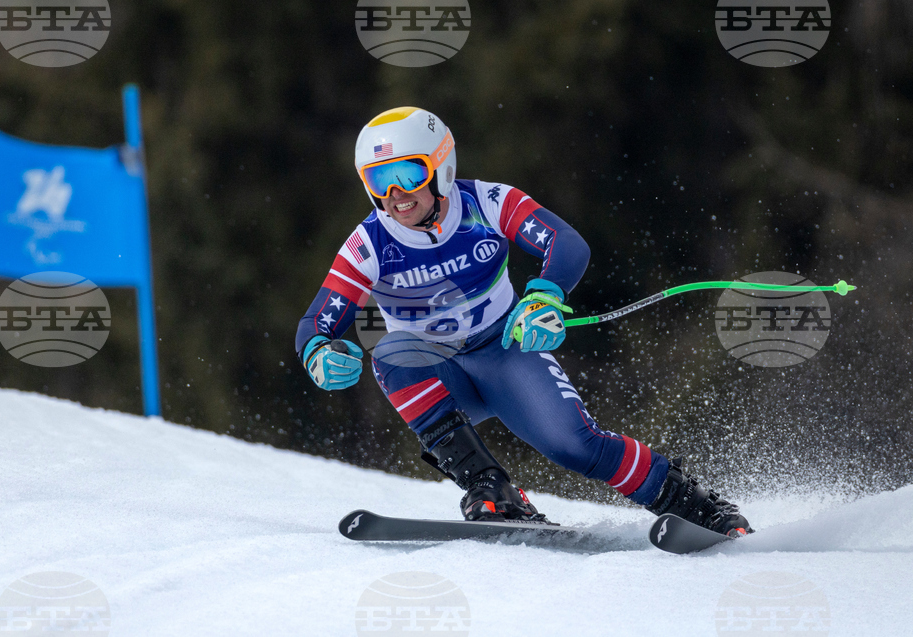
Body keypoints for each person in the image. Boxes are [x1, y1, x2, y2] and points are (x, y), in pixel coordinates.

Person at [295, 106, 752, 536]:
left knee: (575, 446)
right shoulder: (369, 243)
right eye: (379, 179)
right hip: (439, 375)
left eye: (407, 174)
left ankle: (694, 504)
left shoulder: (486, 203)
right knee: (390, 352)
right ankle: (492, 491)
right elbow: (319, 319)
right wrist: (318, 352)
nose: (396, 195)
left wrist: (545, 296)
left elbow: (566, 243)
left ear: (441, 167)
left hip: (505, 352)